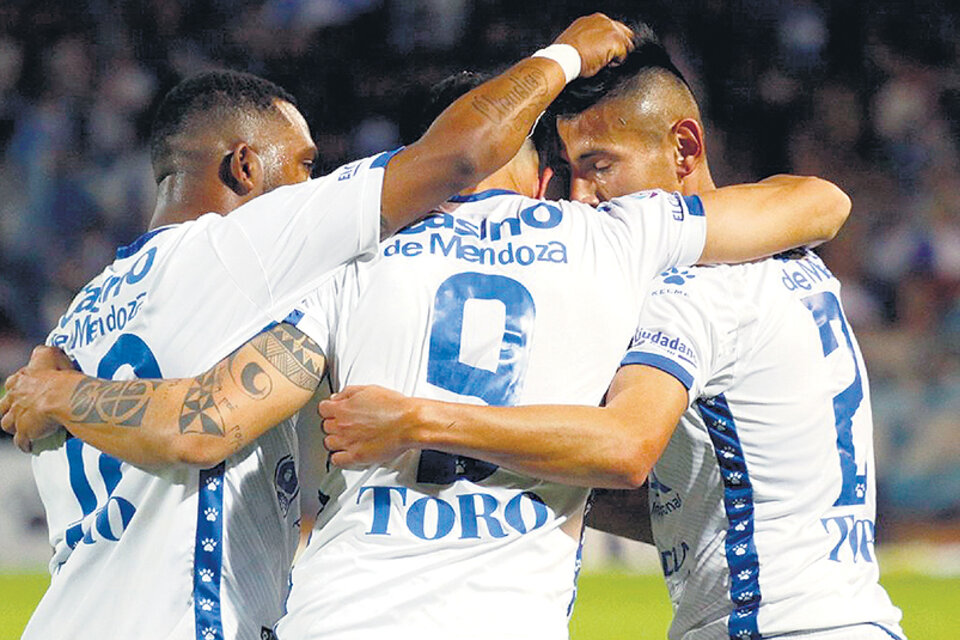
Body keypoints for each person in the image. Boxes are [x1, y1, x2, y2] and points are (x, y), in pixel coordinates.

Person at [0, 16, 638, 639]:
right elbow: (457, 158)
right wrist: (566, 56)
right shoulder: (245, 247)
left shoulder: (78, 319)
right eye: (304, 165)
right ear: (244, 167)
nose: (313, 182)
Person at [314, 26, 907, 640]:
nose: (581, 197)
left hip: (766, 625)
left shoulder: (690, 291)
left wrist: (417, 422)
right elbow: (711, 495)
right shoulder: (789, 262)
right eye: (569, 172)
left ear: (684, 148)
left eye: (600, 167)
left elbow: (625, 446)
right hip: (850, 614)